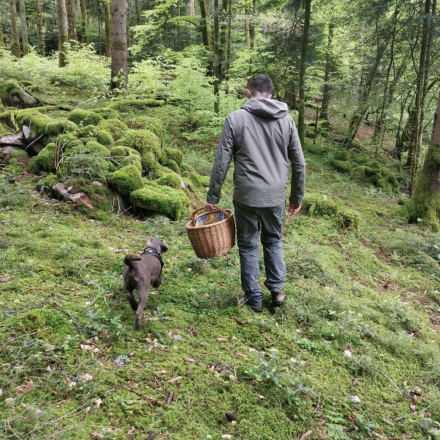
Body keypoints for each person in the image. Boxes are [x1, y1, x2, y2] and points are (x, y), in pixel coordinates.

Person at [205, 74, 306, 312]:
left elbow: (222, 162)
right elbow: (299, 163)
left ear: (248, 93)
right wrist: (296, 198)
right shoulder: (287, 121)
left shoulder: (235, 119)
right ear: (270, 96)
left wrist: (212, 198)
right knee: (273, 240)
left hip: (246, 196)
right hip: (275, 196)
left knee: (248, 244)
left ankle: (254, 299)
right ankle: (277, 291)